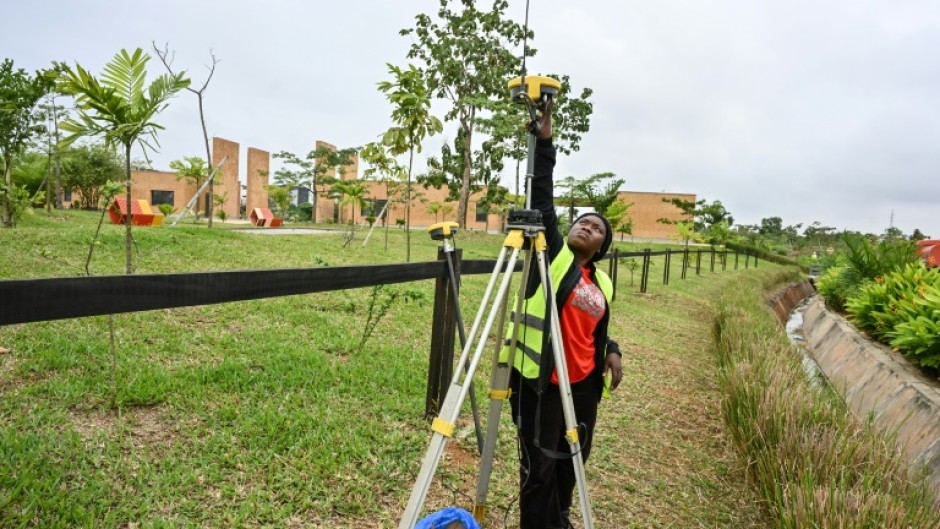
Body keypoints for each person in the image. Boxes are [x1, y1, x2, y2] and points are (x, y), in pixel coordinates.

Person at [499, 98, 623, 529]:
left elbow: (596, 328)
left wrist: (612, 349)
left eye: (597, 228)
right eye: (583, 221)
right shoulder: (552, 256)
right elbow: (544, 196)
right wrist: (544, 141)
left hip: (584, 386)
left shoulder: (603, 283)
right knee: (540, 467)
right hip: (543, 384)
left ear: (601, 247)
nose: (587, 226)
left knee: (573, 460)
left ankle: (562, 519)